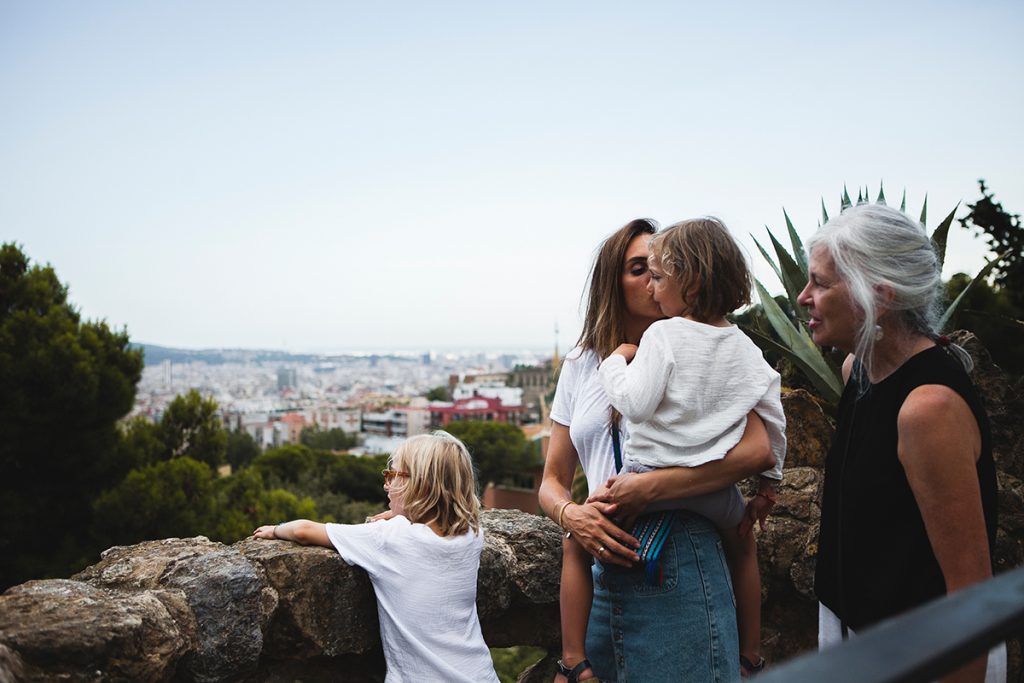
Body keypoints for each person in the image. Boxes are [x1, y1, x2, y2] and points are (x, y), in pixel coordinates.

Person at [538, 218, 777, 683]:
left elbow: (757, 451)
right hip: (601, 572)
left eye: (660, 267)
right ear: (613, 281)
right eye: (638, 268)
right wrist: (572, 516)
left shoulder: (704, 350)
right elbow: (552, 481)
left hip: (680, 558)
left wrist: (648, 489)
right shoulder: (583, 364)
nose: (653, 277)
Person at [800, 203, 1004, 683]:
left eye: (822, 283)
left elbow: (969, 591)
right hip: (855, 637)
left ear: (879, 296)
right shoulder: (858, 371)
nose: (803, 296)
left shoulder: (927, 409)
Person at [253, 431, 499, 683]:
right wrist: (402, 514)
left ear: (420, 485)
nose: (386, 484)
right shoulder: (471, 534)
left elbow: (303, 531)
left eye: (393, 475)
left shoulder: (389, 538)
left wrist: (274, 529)